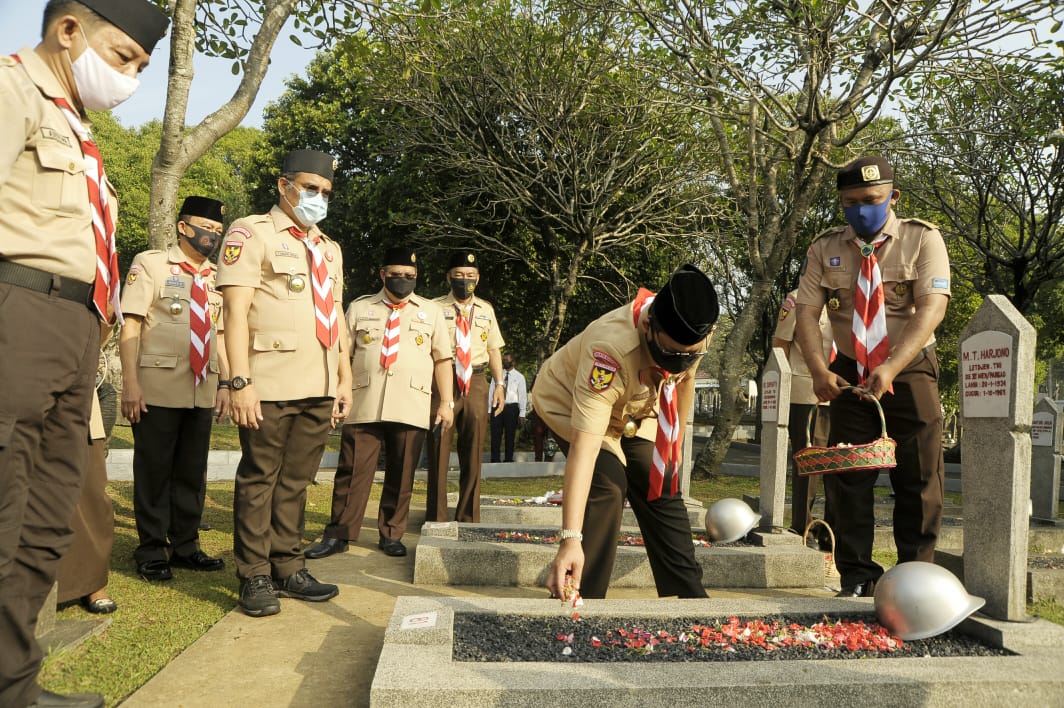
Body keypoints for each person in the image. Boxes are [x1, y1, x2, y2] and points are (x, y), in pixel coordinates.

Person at [0, 0, 168, 705]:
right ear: (69, 30)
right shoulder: (11, 90)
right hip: (18, 309)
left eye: (142, 66)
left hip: (77, 327)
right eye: (124, 56)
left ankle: (14, 685)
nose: (130, 77)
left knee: (46, 523)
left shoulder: (78, 130)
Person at [794, 155, 950, 598]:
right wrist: (818, 369)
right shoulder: (824, 248)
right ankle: (857, 575)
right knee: (848, 476)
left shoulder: (922, 239)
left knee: (919, 475)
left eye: (872, 199)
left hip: (910, 367)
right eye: (851, 202)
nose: (862, 209)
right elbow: (806, 311)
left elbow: (932, 309)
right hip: (848, 372)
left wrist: (891, 366)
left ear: (893, 197)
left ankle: (915, 576)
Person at [218, 149, 352, 617]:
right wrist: (239, 381)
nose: (319, 198)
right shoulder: (250, 232)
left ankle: (288, 566)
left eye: (326, 192)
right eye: (311, 188)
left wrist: (344, 378)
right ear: (284, 185)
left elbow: (335, 316)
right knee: (260, 479)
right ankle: (254, 574)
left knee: (296, 481)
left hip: (319, 382)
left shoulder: (329, 248)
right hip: (269, 382)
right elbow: (234, 312)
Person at [533, 265, 719, 600]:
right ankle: (580, 598)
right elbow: (586, 449)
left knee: (660, 482)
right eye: (670, 353)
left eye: (688, 355)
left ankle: (689, 600)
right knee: (608, 484)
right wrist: (570, 538)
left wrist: (674, 449)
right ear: (648, 326)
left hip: (636, 407)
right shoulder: (609, 349)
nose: (680, 361)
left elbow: (685, 381)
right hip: (568, 400)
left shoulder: (698, 330)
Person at [305, 247, 455, 559]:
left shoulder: (431, 312)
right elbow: (342, 353)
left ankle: (392, 533)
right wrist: (335, 391)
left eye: (409, 275)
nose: (403, 280)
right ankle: (339, 534)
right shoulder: (360, 307)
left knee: (402, 473)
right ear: (383, 274)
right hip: (364, 400)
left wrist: (446, 403)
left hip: (411, 403)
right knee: (352, 471)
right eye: (396, 274)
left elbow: (443, 359)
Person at [119, 196, 229, 582]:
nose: (211, 235)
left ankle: (186, 546)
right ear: (183, 227)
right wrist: (130, 384)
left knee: (192, 471)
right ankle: (152, 550)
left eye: (217, 231)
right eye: (205, 227)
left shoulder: (217, 277)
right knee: (154, 471)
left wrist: (226, 382)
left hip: (202, 388)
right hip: (157, 387)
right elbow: (131, 325)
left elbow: (220, 334)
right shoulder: (151, 264)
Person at [424, 251, 504, 523]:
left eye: (470, 276)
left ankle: (468, 515)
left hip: (477, 381)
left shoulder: (486, 310)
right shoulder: (433, 308)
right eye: (459, 275)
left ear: (478, 279)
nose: (465, 280)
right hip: (442, 380)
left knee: (473, 450)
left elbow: (494, 350)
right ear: (449, 278)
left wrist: (499, 384)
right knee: (438, 447)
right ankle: (436, 516)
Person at [771, 289, 833, 542]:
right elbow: (780, 345)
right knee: (809, 465)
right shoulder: (797, 299)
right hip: (807, 392)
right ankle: (803, 525)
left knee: (842, 464)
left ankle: (832, 528)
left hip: (843, 391)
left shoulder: (852, 295)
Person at [56, 363, 117, 615]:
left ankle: (93, 583)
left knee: (91, 491)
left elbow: (103, 336)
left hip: (77, 385)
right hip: (21, 382)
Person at [489, 353, 527, 463]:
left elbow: (522, 396)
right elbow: (491, 392)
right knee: (495, 434)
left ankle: (508, 459)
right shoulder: (497, 375)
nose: (504, 362)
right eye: (503, 360)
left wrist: (522, 413)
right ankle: (495, 459)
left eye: (506, 360)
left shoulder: (519, 377)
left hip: (511, 408)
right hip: (497, 406)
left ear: (512, 362)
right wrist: (489, 409)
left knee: (510, 434)